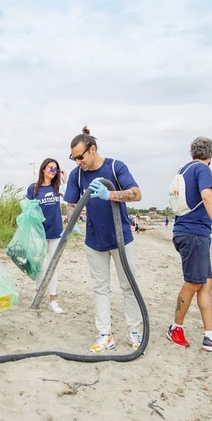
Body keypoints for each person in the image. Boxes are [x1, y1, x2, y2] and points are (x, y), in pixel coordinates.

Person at [63, 133, 144, 353]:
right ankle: (104, 334)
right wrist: (73, 217)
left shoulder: (116, 167)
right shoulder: (77, 175)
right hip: (94, 240)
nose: (78, 162)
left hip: (121, 239)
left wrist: (110, 194)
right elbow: (71, 202)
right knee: (100, 288)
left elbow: (136, 194)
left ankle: (135, 332)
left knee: (129, 286)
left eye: (80, 157)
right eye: (73, 158)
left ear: (92, 149)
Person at [166, 136, 212, 352]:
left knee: (206, 283)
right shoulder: (202, 170)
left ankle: (211, 336)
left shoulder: (184, 169)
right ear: (211, 156)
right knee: (193, 283)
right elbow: (207, 196)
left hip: (187, 232)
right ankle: (175, 328)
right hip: (193, 233)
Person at [27, 158, 64, 314]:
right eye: (50, 168)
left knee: (53, 266)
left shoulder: (58, 187)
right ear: (43, 169)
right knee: (40, 266)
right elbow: (28, 210)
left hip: (56, 232)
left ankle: (53, 300)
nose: (53, 171)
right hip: (39, 232)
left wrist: (64, 179)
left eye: (55, 169)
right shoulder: (33, 189)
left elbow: (70, 199)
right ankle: (38, 294)